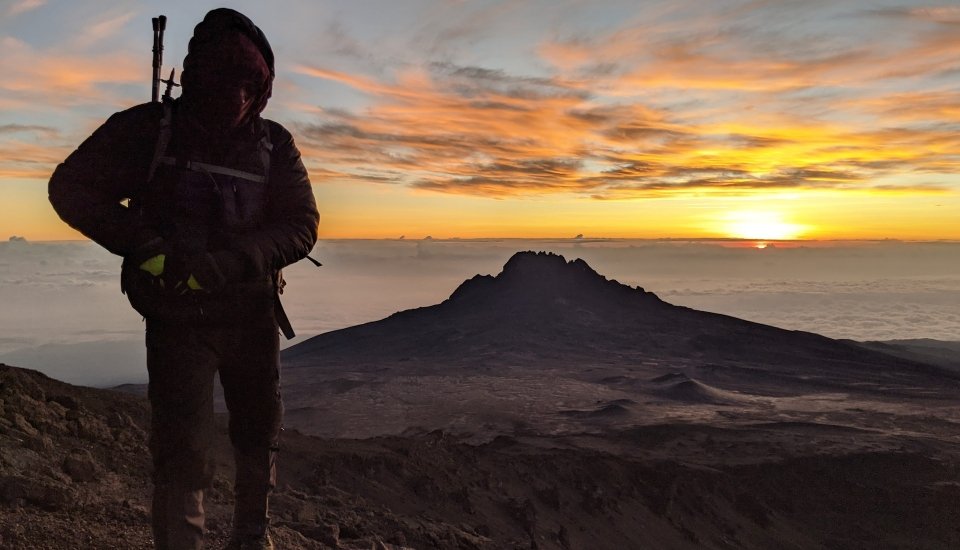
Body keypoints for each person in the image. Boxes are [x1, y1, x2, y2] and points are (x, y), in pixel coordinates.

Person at [48, 8, 319, 549]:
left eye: (251, 85)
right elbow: (71, 188)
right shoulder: (150, 132)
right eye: (225, 81)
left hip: (252, 314)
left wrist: (235, 261)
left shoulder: (273, 144)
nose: (238, 97)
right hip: (179, 319)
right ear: (197, 77)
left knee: (257, 433)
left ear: (264, 88)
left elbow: (302, 224)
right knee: (182, 447)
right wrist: (147, 247)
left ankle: (251, 537)